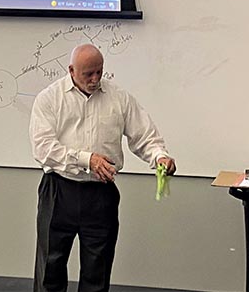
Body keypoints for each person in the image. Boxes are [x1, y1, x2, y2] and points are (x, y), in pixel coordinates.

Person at [29, 43, 176, 292]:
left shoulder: (119, 98)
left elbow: (145, 137)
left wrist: (160, 156)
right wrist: (87, 159)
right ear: (71, 70)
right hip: (58, 190)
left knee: (97, 272)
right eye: (88, 74)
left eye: (100, 71)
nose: (95, 79)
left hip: (101, 194)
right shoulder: (49, 98)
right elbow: (43, 149)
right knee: (50, 269)